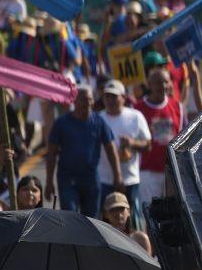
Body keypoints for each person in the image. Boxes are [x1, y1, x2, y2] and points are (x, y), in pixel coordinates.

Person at [44, 86, 116, 216]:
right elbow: (51, 153)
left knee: (92, 222)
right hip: (67, 180)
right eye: (83, 99)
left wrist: (118, 175)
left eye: (90, 99)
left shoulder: (99, 122)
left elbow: (110, 148)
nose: (87, 103)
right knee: (70, 218)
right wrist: (49, 181)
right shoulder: (61, 123)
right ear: (74, 101)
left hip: (91, 179)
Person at [130, 65, 181, 213]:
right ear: (149, 84)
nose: (162, 86)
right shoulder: (137, 109)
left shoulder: (178, 107)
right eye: (158, 82)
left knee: (172, 217)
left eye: (165, 81)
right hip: (148, 172)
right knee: (151, 215)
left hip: (171, 172)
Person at [95, 79, 151, 211]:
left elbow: (148, 145)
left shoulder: (135, 116)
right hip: (103, 179)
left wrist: (132, 143)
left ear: (124, 97)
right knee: (105, 222)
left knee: (128, 221)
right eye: (107, 96)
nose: (110, 100)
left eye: (114, 96)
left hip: (129, 179)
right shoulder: (98, 118)